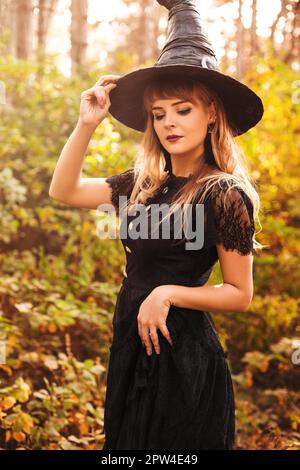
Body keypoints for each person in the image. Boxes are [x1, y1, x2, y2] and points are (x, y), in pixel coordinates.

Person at [49, 0, 265, 450]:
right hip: (131, 346)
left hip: (184, 361)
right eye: (159, 113)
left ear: (211, 114)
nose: (169, 122)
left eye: (182, 110)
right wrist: (86, 123)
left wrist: (166, 293)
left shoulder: (223, 194)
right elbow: (64, 191)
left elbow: (239, 294)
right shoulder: (142, 185)